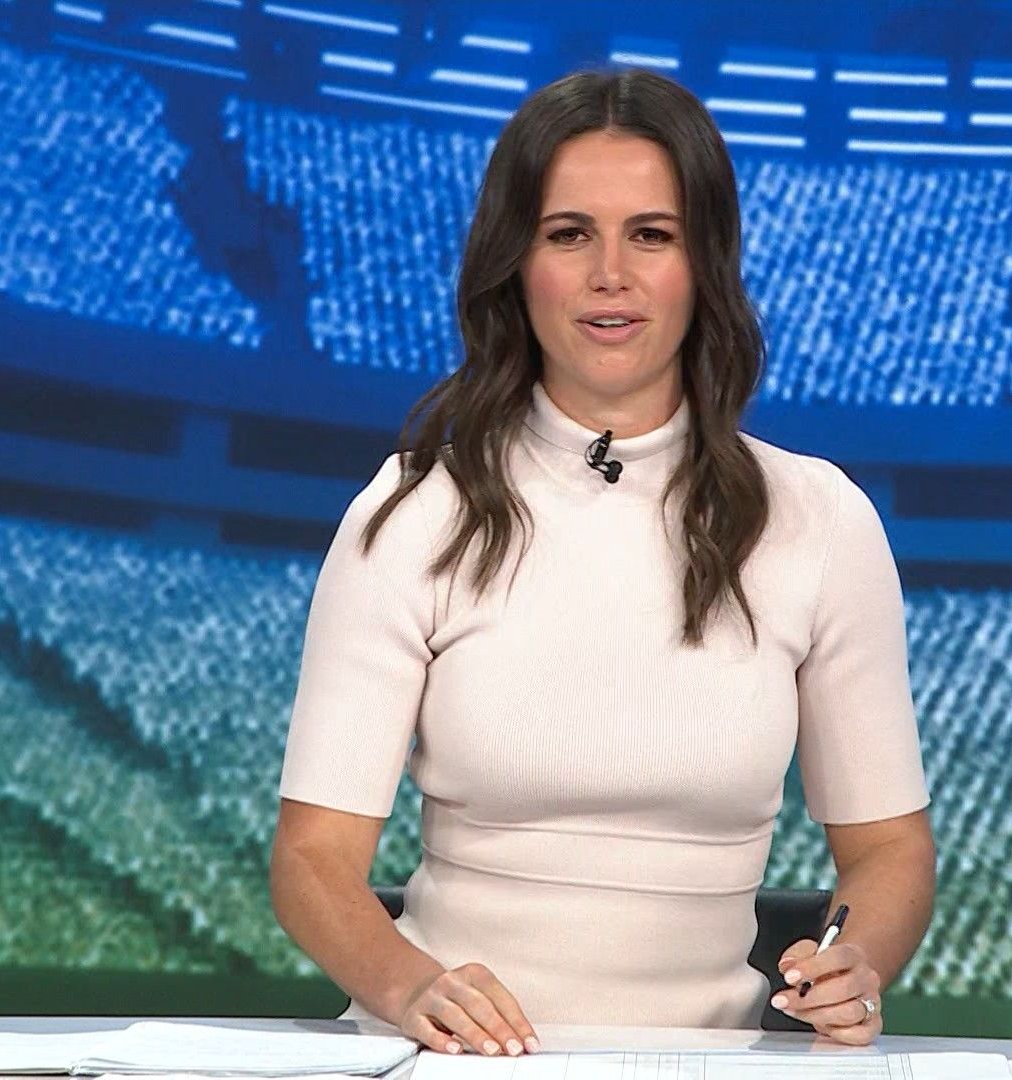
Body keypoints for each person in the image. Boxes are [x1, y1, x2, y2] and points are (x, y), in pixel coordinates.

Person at [271, 66, 933, 1059]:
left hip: (712, 1066)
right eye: (568, 234)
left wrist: (857, 961)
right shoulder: (413, 512)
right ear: (516, 263)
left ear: (704, 264)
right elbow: (312, 857)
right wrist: (413, 989)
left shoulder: (820, 520)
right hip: (453, 1063)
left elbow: (888, 849)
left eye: (652, 235)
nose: (609, 274)